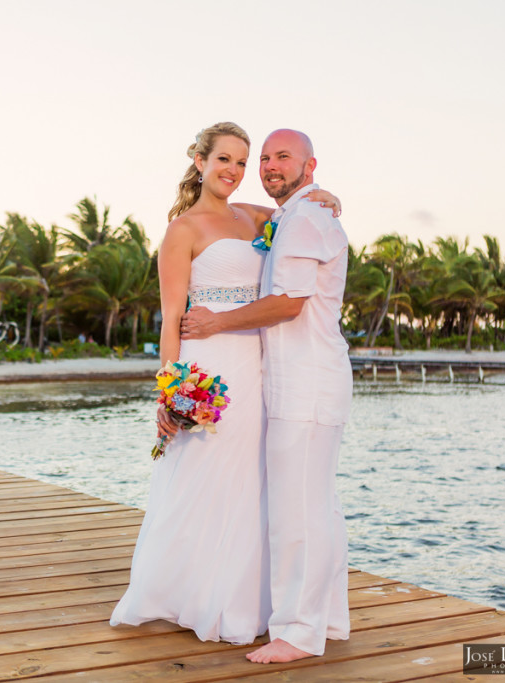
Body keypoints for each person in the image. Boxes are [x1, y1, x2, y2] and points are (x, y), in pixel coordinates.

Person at [109, 123, 339, 645]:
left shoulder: (260, 216)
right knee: (201, 472)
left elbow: (300, 210)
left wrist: (325, 193)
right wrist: (171, 390)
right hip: (207, 361)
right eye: (224, 161)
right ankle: (188, 592)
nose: (234, 172)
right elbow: (170, 319)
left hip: (258, 363)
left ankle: (246, 601)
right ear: (200, 161)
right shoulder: (182, 230)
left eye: (242, 162)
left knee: (253, 481)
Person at [181, 129, 352, 663]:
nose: (271, 166)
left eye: (285, 157)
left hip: (307, 382)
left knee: (299, 510)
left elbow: (287, 303)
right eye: (268, 158)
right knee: (315, 504)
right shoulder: (297, 215)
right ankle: (325, 618)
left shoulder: (303, 218)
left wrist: (214, 323)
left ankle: (299, 634)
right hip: (302, 380)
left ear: (310, 164)